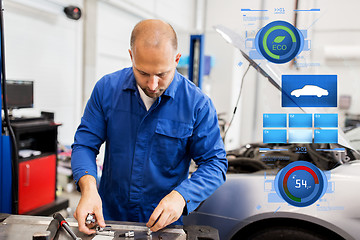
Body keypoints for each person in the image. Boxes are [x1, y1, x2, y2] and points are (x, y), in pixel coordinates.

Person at [71, 19, 228, 235]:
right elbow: (84, 145)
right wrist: (88, 189)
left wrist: (181, 196)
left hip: (163, 225)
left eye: (162, 74)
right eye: (143, 73)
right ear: (131, 56)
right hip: (109, 218)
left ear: (176, 59)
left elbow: (214, 163)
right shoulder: (106, 90)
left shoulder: (197, 104)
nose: (152, 85)